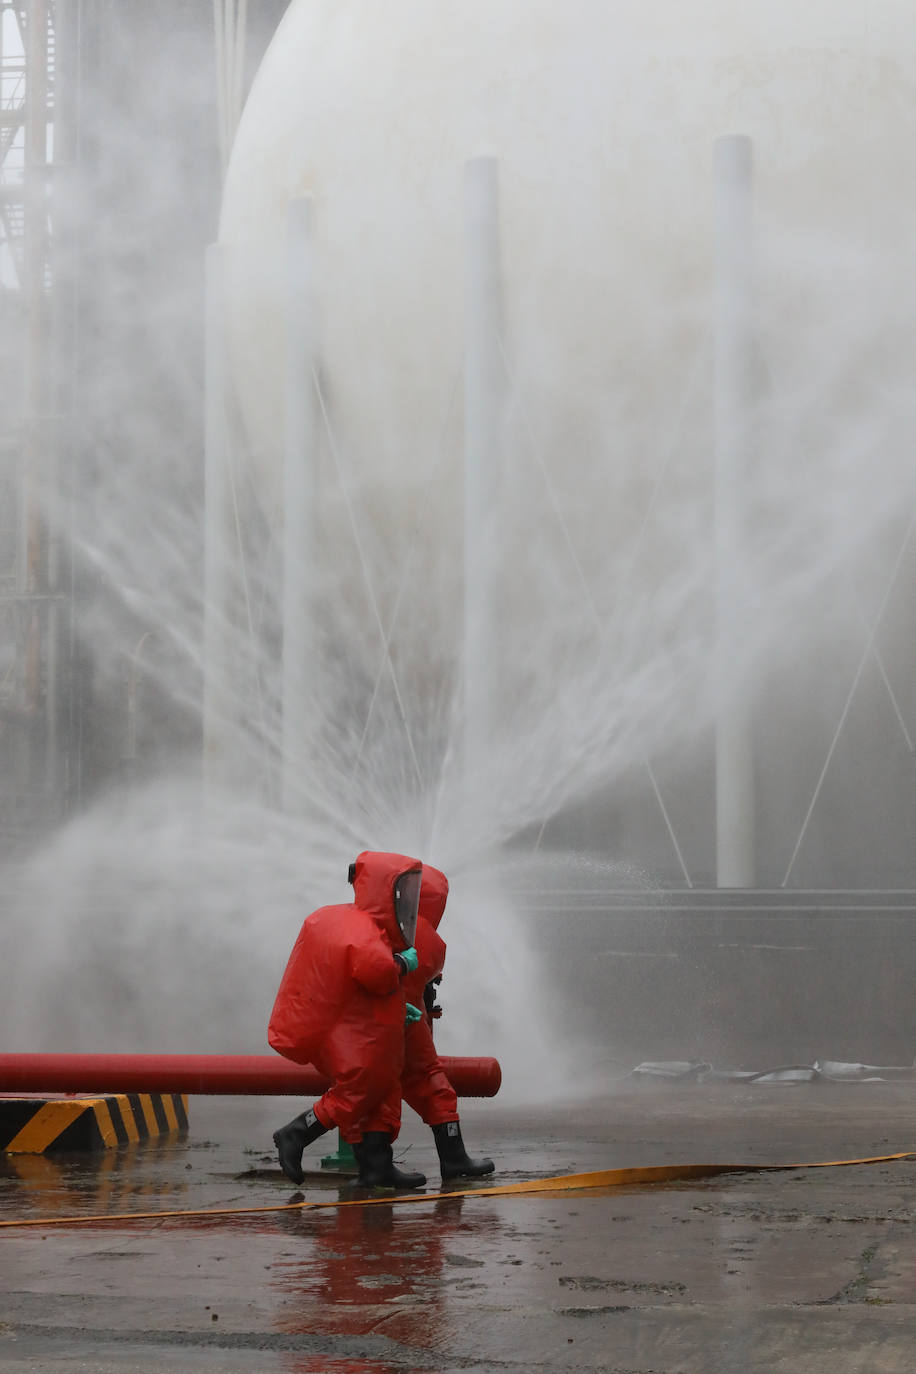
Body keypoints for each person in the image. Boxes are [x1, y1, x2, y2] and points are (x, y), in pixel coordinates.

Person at [268, 849, 427, 1189]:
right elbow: (377, 972)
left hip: (366, 1029)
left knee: (383, 1091)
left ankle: (376, 1166)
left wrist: (400, 1009)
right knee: (362, 1086)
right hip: (358, 1038)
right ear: (384, 891)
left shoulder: (352, 922)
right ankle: (295, 1134)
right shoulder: (361, 929)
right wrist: (402, 964)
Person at [399, 863, 494, 1180]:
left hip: (371, 1027)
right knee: (434, 1084)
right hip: (403, 1025)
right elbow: (422, 990)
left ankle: (374, 1167)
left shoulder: (379, 926)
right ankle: (454, 1159)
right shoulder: (429, 940)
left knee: (373, 1096)